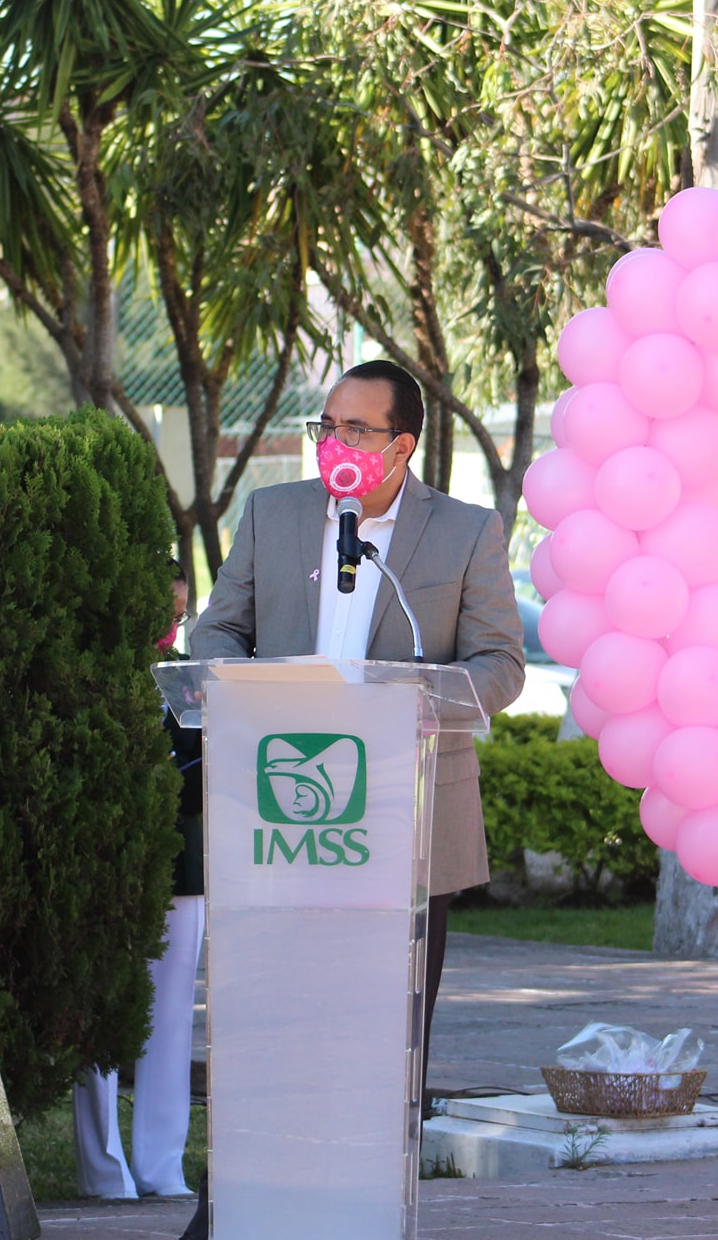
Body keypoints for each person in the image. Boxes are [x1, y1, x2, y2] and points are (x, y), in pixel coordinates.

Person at [189, 359, 525, 1093]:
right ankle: (269, 1154)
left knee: (389, 1039)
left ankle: (380, 1159)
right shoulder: (271, 513)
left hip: (408, 809)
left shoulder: (466, 531)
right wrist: (252, 691)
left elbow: (501, 665)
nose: (333, 442)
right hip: (283, 809)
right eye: (327, 426)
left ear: (402, 445)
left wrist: (414, 700)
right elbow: (215, 632)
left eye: (355, 429)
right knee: (283, 1019)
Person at [74, 564, 204, 1199]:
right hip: (109, 854)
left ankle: (161, 1163)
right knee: (102, 1010)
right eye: (163, 613)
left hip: (180, 860)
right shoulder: (94, 665)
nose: (170, 627)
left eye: (179, 615)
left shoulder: (188, 676)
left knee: (171, 1016)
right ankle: (104, 1169)